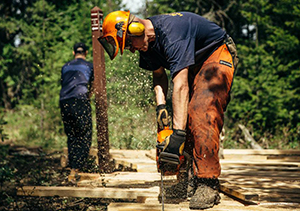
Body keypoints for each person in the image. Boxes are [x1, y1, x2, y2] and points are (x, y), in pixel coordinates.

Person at [99, 11, 238, 209]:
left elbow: (180, 85)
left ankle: (208, 183)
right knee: (182, 115)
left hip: (215, 53)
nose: (131, 50)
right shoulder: (147, 46)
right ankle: (187, 181)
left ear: (135, 29)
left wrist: (177, 134)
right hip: (193, 63)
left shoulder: (172, 34)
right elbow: (159, 76)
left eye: (129, 44)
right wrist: (161, 108)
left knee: (201, 110)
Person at [59, 42, 94, 181]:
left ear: (74, 53)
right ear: (86, 52)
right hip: (80, 100)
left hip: (64, 101)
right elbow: (93, 85)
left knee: (72, 134)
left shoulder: (65, 66)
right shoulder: (89, 66)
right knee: (85, 133)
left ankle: (73, 165)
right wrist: (88, 97)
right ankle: (77, 167)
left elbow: (64, 84)